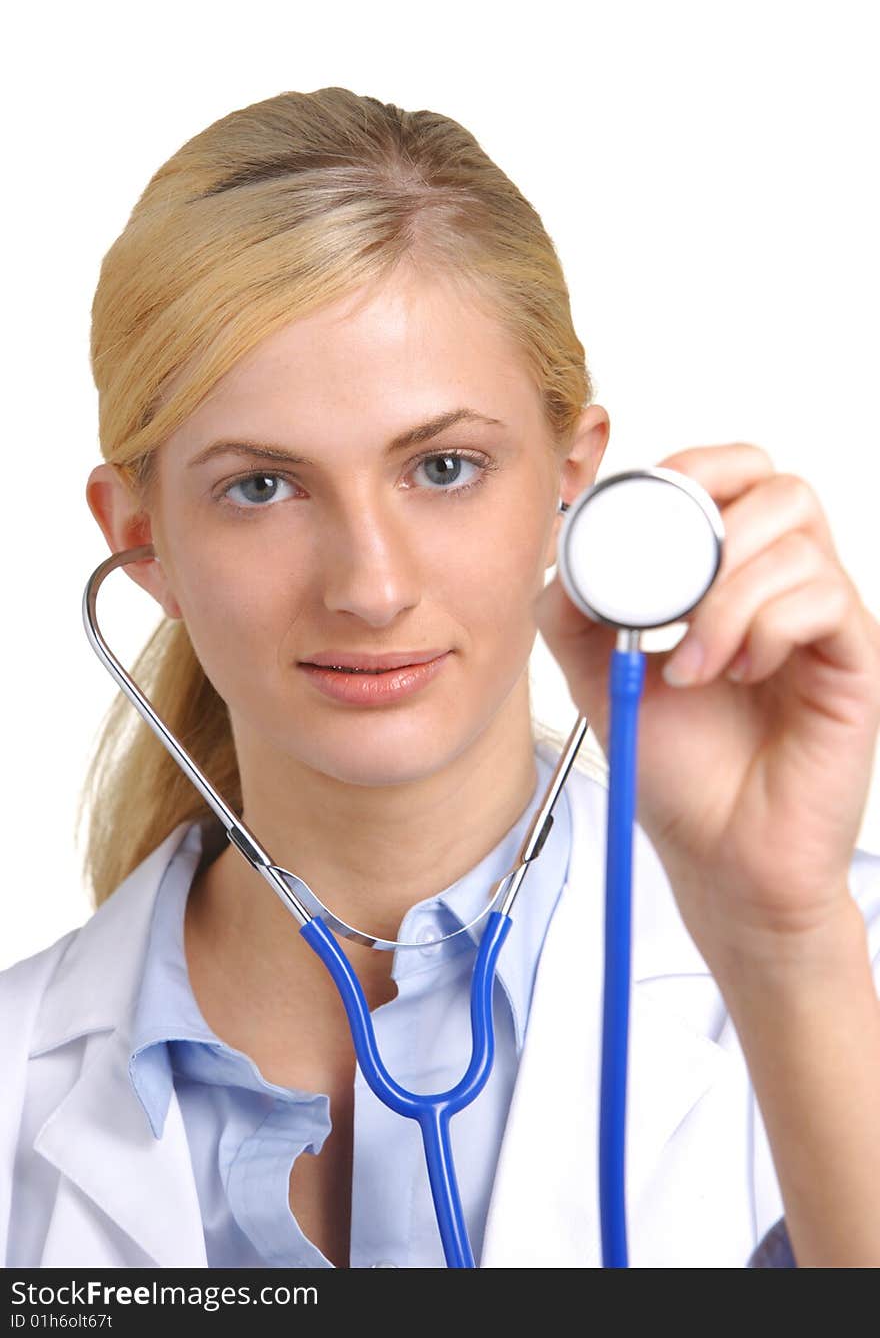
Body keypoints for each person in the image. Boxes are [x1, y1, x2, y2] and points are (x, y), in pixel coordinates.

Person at [2, 87, 879, 1270]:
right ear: (141, 538)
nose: (370, 585)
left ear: (571, 482)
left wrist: (782, 946)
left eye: (445, 466)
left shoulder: (836, 952)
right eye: (262, 486)